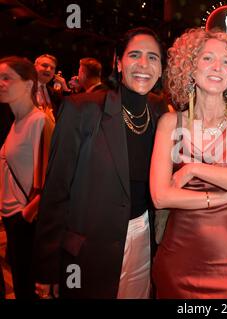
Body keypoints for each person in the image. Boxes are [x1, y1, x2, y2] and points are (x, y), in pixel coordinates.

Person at [33, 27, 168, 299]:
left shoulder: (160, 112)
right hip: (90, 250)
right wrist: (47, 267)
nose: (144, 64)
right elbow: (56, 191)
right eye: (135, 55)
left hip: (143, 239)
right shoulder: (81, 109)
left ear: (161, 68)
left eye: (153, 57)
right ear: (118, 62)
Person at [150, 28, 227, 299]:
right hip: (177, 256)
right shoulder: (171, 123)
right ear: (190, 68)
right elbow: (160, 196)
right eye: (207, 59)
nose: (218, 67)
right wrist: (226, 195)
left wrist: (193, 168)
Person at [0, 56, 54, 299]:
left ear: (28, 85)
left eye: (7, 77)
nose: (1, 83)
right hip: (11, 218)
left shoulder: (39, 121)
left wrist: (25, 216)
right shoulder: (15, 123)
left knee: (27, 289)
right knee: (22, 285)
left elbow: (52, 180)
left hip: (26, 222)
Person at [34, 54, 68, 121]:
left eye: (52, 68)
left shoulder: (52, 93)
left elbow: (68, 108)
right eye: (45, 65)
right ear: (34, 67)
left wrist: (64, 87)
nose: (49, 70)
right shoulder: (23, 88)